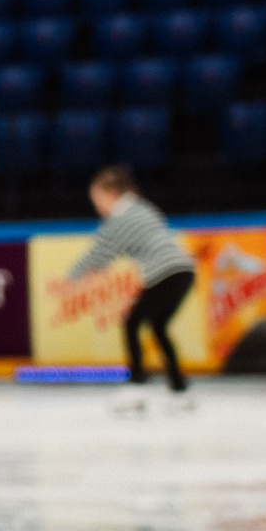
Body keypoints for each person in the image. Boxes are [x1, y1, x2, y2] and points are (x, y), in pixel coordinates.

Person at [65, 164, 198, 408]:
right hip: (183, 271)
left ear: (111, 193)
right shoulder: (142, 208)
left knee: (132, 322)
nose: (97, 207)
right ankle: (179, 390)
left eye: (97, 199)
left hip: (166, 272)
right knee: (157, 326)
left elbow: (101, 251)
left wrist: (72, 277)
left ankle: (137, 386)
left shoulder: (123, 215)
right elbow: (110, 251)